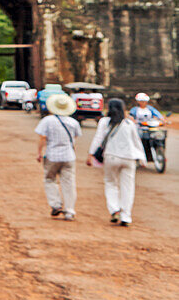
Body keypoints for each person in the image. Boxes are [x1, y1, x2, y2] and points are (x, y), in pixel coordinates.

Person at [89, 98, 147, 226]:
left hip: (111, 157)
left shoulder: (105, 122)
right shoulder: (129, 123)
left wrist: (91, 154)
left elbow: (99, 138)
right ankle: (126, 216)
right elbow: (136, 142)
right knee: (127, 187)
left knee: (111, 183)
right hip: (129, 158)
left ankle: (114, 209)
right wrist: (143, 158)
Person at [35, 92, 81, 220]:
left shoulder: (48, 121)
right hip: (69, 156)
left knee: (50, 179)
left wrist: (39, 152)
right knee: (69, 183)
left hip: (52, 155)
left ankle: (56, 205)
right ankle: (70, 211)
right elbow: (74, 138)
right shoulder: (73, 122)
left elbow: (43, 138)